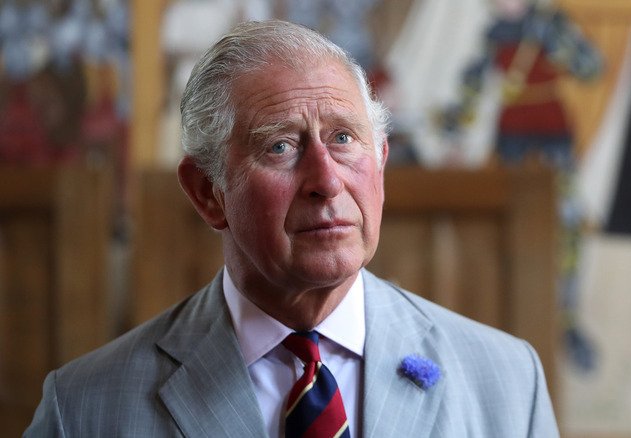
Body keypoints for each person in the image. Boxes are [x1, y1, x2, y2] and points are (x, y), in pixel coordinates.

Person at [25, 20, 559, 437]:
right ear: (208, 192)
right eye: (280, 146)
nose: (326, 181)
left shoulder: (508, 382)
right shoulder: (83, 408)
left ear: (381, 162)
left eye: (345, 139)